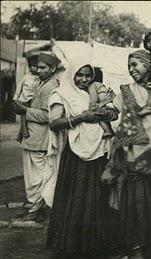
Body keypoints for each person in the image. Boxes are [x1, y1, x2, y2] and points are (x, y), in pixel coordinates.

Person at [101, 50, 151, 259]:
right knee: (134, 207)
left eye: (136, 64)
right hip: (132, 158)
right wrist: (102, 111)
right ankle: (136, 250)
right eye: (129, 65)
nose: (131, 69)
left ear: (148, 65)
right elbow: (112, 111)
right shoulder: (126, 91)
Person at [46, 62, 119, 258]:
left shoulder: (94, 92)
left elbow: (110, 113)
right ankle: (71, 243)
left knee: (96, 195)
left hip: (97, 151)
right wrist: (81, 117)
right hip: (75, 154)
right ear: (72, 74)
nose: (84, 80)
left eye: (88, 75)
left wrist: (105, 110)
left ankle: (95, 244)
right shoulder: (61, 94)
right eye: (80, 75)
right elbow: (53, 123)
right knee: (76, 195)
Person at [12, 52, 61, 222]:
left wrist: (24, 110)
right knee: (36, 176)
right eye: (38, 67)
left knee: (36, 177)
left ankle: (35, 210)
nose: (38, 70)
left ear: (52, 69)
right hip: (34, 138)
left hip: (39, 139)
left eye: (42, 68)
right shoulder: (43, 83)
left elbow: (48, 116)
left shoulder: (50, 86)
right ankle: (37, 208)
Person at [14, 52, 40, 142]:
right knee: (24, 117)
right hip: (24, 100)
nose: (35, 68)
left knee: (29, 117)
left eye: (37, 67)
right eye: (33, 66)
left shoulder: (39, 78)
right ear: (29, 67)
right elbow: (19, 87)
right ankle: (24, 133)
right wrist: (15, 98)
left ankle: (22, 135)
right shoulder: (26, 77)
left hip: (33, 101)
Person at [87, 74, 116, 138]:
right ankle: (109, 130)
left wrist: (93, 106)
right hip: (105, 103)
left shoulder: (93, 85)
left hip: (102, 103)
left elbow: (94, 99)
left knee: (98, 114)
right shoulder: (99, 85)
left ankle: (108, 131)